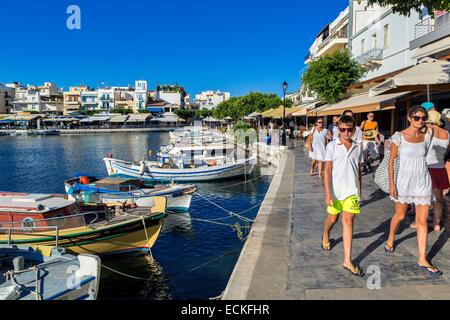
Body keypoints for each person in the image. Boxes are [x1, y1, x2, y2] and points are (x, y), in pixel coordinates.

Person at [386, 106, 442, 276]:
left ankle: (422, 258)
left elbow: (443, 136)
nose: (420, 121)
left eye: (423, 118)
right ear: (410, 118)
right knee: (401, 216)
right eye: (416, 118)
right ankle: (390, 238)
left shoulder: (427, 135)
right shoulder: (399, 136)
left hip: (422, 181)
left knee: (422, 221)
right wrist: (391, 184)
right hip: (404, 181)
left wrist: (434, 124)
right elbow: (391, 161)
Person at [322, 115, 364, 277]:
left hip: (352, 192)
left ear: (354, 130)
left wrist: (360, 190)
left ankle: (347, 260)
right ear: (338, 129)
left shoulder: (358, 147)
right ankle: (326, 234)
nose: (346, 132)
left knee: (348, 220)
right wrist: (327, 193)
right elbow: (327, 171)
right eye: (342, 129)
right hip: (336, 191)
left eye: (350, 129)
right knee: (333, 218)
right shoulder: (332, 146)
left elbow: (358, 170)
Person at [426, 111, 450, 232]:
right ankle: (436, 224)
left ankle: (420, 221)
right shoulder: (447, 133)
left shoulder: (429, 131)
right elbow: (445, 152)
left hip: (429, 167)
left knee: (425, 198)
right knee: (438, 198)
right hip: (441, 167)